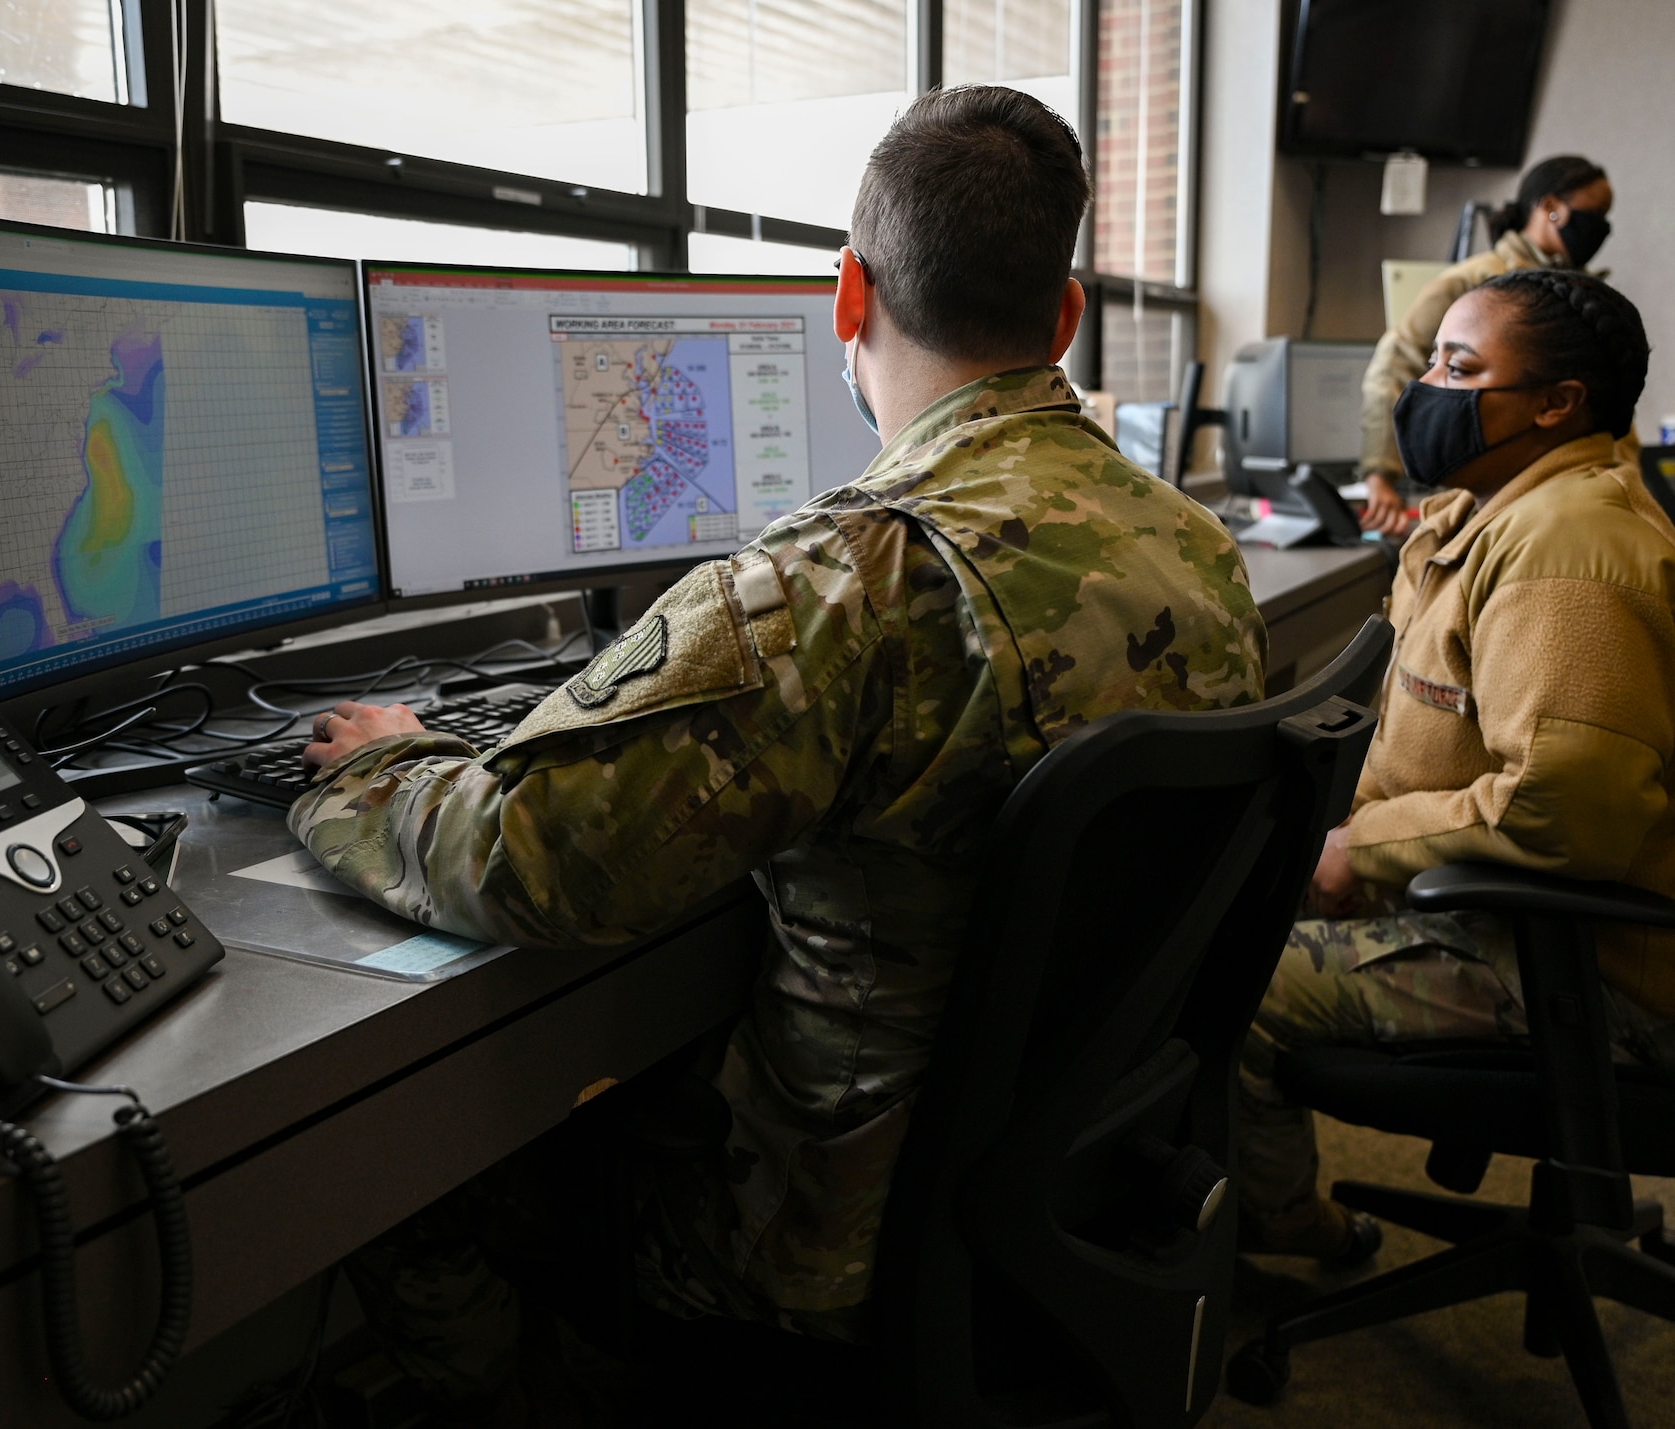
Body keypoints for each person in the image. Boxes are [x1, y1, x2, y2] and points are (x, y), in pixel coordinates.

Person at [293, 85, 1268, 1418]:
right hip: (1068, 1182)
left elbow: (525, 863)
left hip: (822, 1244)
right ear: (1066, 315)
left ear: (848, 299)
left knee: (396, 1167)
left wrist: (372, 767)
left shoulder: (845, 578)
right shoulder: (1198, 544)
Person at [1241, 269, 1674, 1260]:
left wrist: (1361, 851)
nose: (1424, 387)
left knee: (1229, 981)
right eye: (1432, 358)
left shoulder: (1569, 549)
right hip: (1492, 900)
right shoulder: (1488, 513)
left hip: (1591, 965)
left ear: (1556, 404)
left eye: (1459, 367)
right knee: (1210, 904)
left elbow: (1563, 809)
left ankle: (1276, 1233)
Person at [1356, 155, 1616, 537]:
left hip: (1578, 490)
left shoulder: (1588, 296)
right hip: (1499, 497)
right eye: (1593, 213)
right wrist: (1379, 473)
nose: (1601, 227)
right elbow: (1394, 364)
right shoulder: (1473, 283)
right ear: (1550, 208)